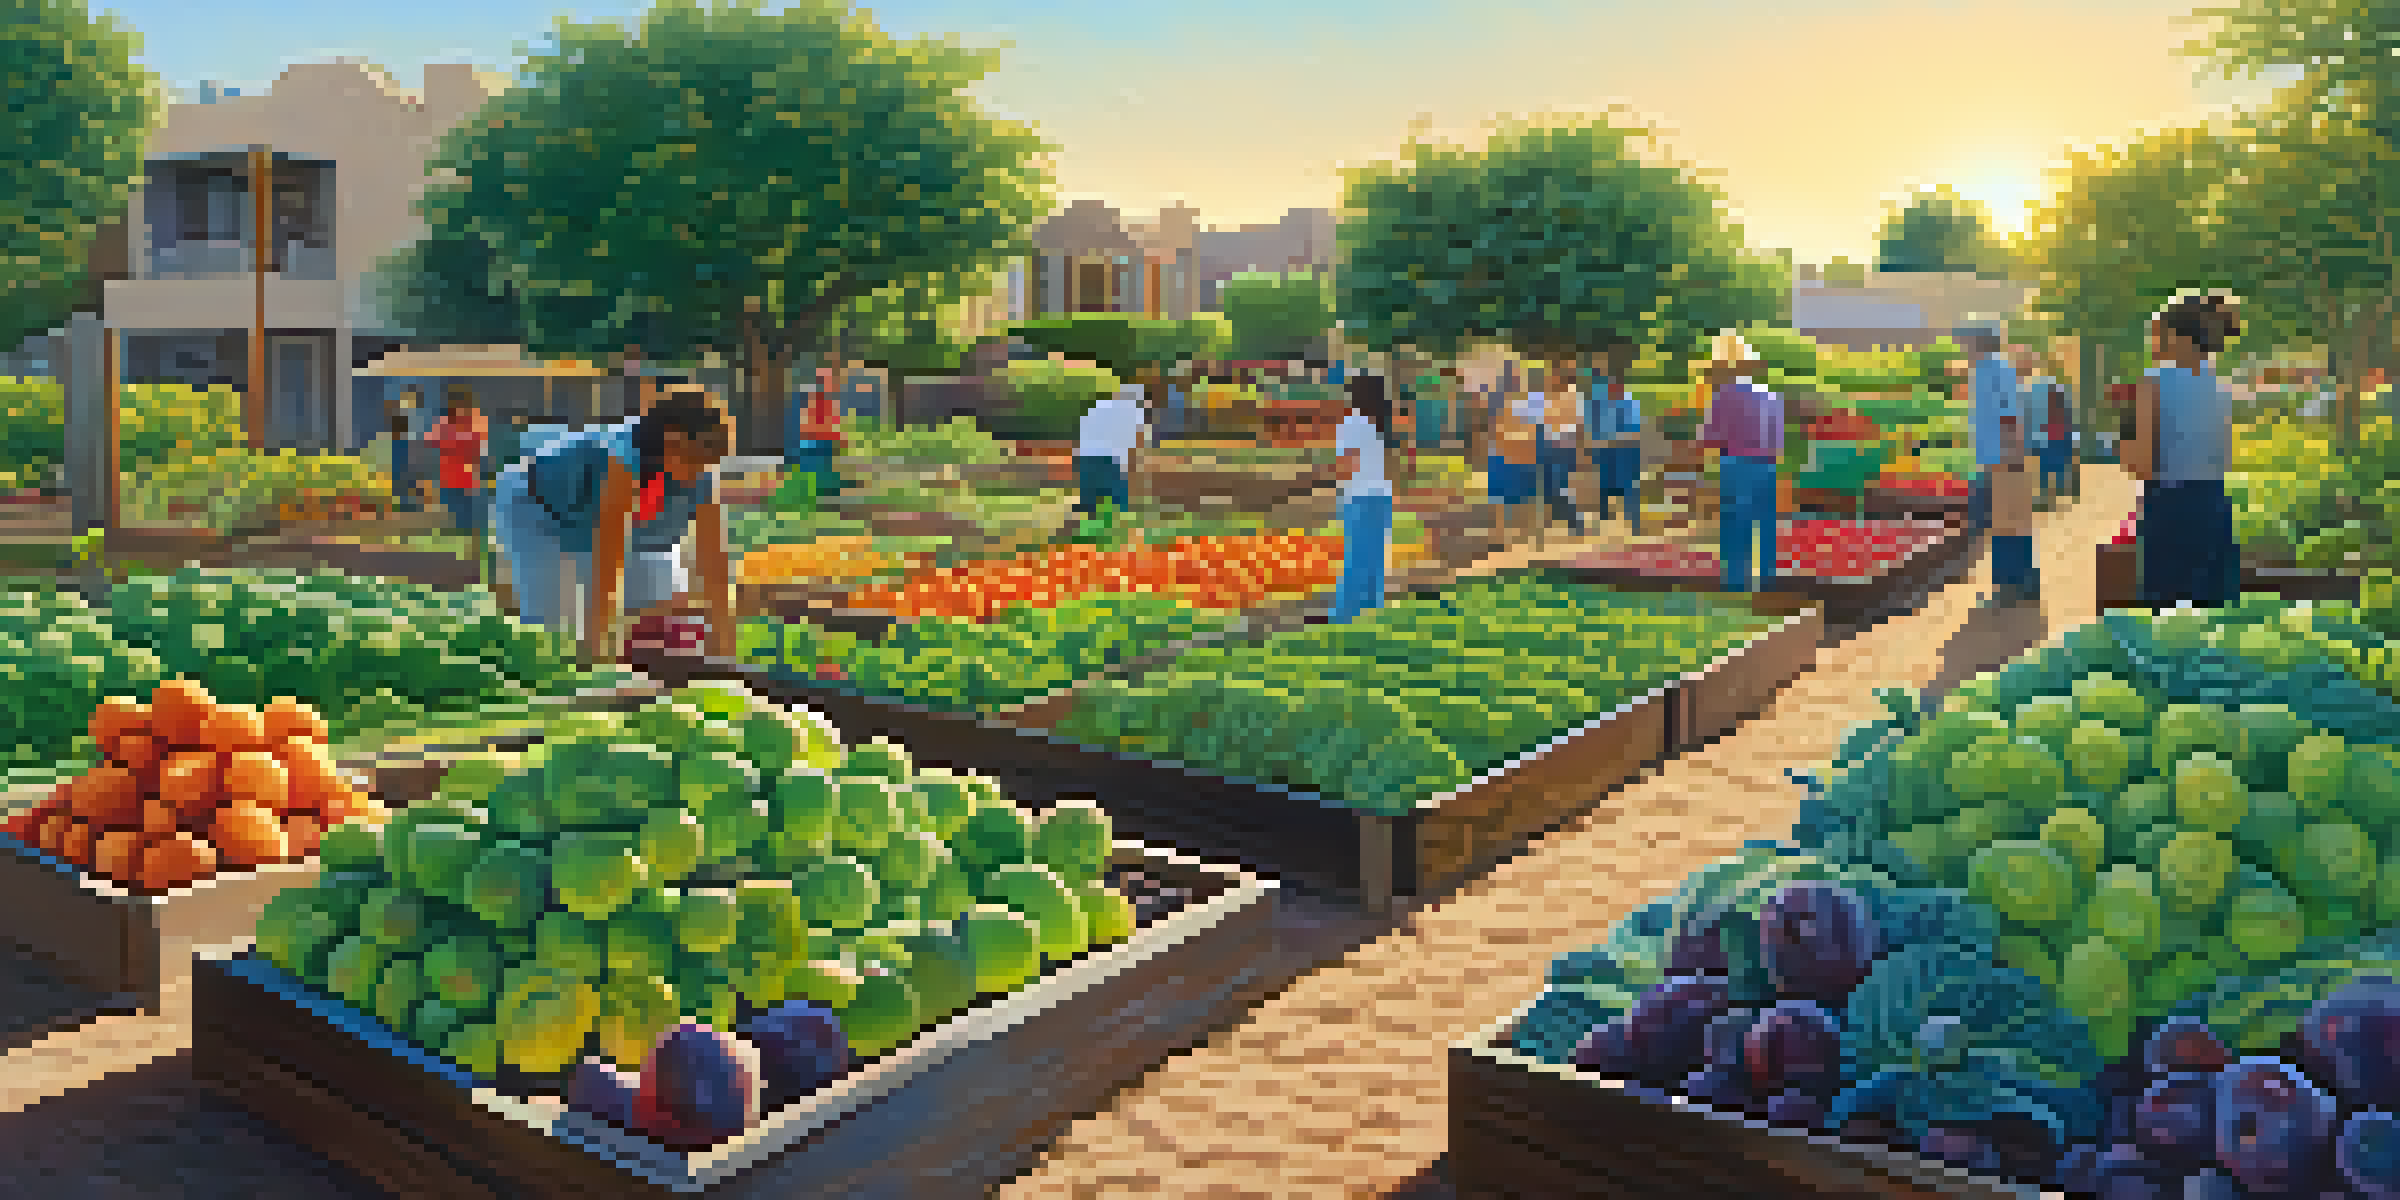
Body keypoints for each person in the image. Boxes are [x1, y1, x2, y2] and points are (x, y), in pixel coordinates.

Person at [492, 384, 736, 661]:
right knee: (554, 628)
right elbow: (608, 565)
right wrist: (596, 655)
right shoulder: (621, 460)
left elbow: (713, 561)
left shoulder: (700, 472)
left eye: (709, 465)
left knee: (667, 607)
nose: (700, 475)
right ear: (672, 442)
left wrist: (726, 649)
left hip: (601, 522)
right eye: (695, 463)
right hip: (538, 508)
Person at [2125, 293, 2241, 610]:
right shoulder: (2221, 383)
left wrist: (2123, 431)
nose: (2150, 341)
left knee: (2168, 623)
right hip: (2215, 506)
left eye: (2154, 333)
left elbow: (2141, 466)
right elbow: (2224, 457)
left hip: (2170, 508)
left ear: (2176, 337)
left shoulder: (2152, 383)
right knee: (2214, 619)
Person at [1697, 332, 1784, 592]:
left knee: (1736, 524)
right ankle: (1768, 581)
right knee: (1766, 525)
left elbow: (1711, 437)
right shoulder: (1770, 395)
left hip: (1735, 465)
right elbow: (1778, 439)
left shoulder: (1723, 396)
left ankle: (1736, 582)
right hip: (1768, 466)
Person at [1962, 331, 2035, 606]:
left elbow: (2008, 415)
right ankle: (2020, 584)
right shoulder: (1995, 368)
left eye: (1966, 342)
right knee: (2011, 523)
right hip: (2000, 456)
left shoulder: (1990, 370)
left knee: (2006, 524)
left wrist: (2012, 454)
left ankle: (2009, 588)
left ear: (1977, 343)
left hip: (2001, 457)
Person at [1332, 374, 1396, 624]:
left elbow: (1345, 466)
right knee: (1373, 561)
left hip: (1361, 497)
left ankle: (1346, 616)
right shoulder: (1372, 424)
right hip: (1378, 497)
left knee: (1358, 560)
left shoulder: (1355, 423)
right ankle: (1367, 614)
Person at [1070, 383, 1147, 529]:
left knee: (1089, 494)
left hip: (1088, 454)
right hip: (1110, 457)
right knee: (1118, 495)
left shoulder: (1101, 405)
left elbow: (1084, 426)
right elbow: (1136, 439)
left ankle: (1083, 525)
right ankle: (1121, 524)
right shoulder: (1134, 411)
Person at [1585, 344, 1644, 533]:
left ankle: (1633, 521)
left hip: (1623, 449)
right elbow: (1591, 422)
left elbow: (1634, 431)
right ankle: (1606, 519)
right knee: (1605, 484)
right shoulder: (1598, 396)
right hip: (1608, 448)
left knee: (1627, 485)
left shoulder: (1627, 399)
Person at [1482, 364, 1542, 545]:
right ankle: (1504, 535)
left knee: (1520, 498)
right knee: (1504, 499)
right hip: (1505, 456)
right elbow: (1493, 429)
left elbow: (1535, 430)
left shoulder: (1530, 401)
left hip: (1518, 456)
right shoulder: (1497, 401)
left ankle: (1522, 534)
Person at [425, 384, 491, 537]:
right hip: (450, 476)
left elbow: (480, 447)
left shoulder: (475, 421)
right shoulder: (444, 424)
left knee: (470, 513)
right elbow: (433, 443)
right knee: (456, 512)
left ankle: (472, 534)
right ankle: (464, 534)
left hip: (467, 476)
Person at [1535, 364, 1587, 539]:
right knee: (1549, 484)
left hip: (1564, 443)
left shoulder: (1571, 395)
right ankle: (1560, 519)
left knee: (1561, 483)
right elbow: (1542, 419)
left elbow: (1573, 421)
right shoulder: (1547, 396)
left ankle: (1575, 521)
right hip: (1548, 442)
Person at [786, 355, 848, 499]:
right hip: (813, 442)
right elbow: (808, 424)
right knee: (815, 474)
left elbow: (832, 422)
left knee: (824, 473)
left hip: (821, 443)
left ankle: (826, 492)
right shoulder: (809, 396)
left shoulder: (829, 398)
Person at [2032, 359, 2074, 505]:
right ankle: (2058, 492)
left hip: (2053, 435)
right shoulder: (2058, 390)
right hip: (2054, 434)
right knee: (2054, 466)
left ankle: (2050, 495)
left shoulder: (2044, 391)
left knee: (2050, 467)